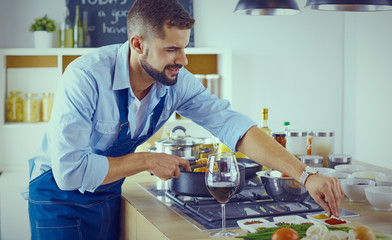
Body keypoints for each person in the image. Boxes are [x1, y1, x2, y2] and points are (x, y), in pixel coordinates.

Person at [27, 0, 344, 239]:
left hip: (108, 193)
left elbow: (234, 126)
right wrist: (146, 160)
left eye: (185, 48)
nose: (183, 59)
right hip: (58, 201)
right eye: (171, 49)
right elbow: (69, 172)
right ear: (138, 44)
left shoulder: (176, 81)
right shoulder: (85, 77)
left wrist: (305, 176)